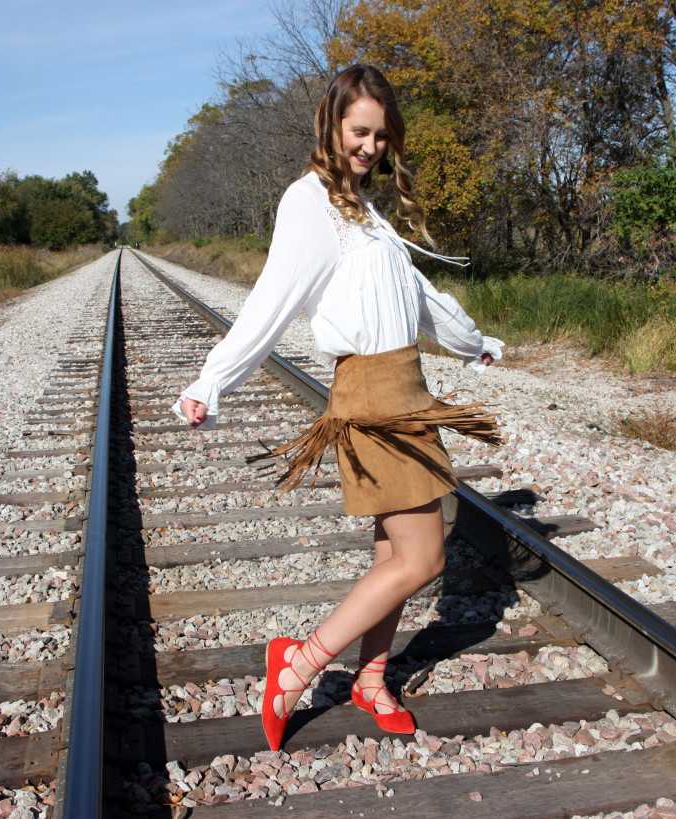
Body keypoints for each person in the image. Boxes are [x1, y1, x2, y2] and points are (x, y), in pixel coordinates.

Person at [174, 64, 503, 752]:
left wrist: (474, 344)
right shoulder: (310, 202)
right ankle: (297, 663)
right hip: (372, 398)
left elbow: (416, 296)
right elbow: (272, 299)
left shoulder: (366, 212)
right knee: (424, 557)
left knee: (393, 551)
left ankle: (372, 677)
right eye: (360, 130)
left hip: (407, 392)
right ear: (331, 124)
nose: (371, 145)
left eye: (381, 135)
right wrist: (213, 379)